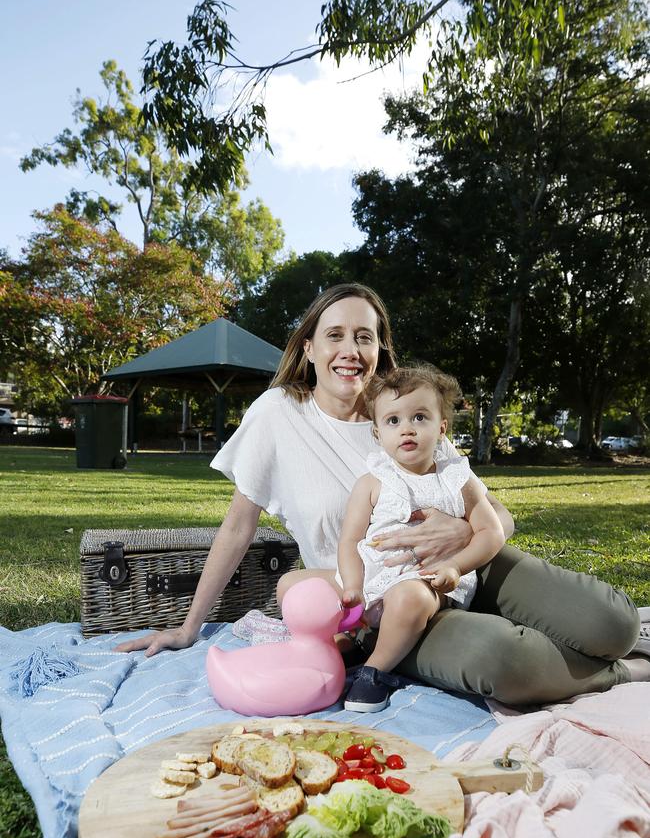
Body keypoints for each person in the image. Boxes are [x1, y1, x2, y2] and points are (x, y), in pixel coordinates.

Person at [115, 283, 646, 703]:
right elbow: (238, 526)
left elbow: (491, 511)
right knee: (505, 659)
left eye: (364, 337)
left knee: (613, 622)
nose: (350, 351)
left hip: (468, 564)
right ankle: (617, 676)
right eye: (336, 336)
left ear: (380, 348)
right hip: (384, 604)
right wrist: (189, 628)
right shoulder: (277, 415)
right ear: (309, 348)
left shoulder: (403, 409)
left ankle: (608, 652)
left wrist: (466, 533)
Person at [337, 364, 506, 712]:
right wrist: (352, 587)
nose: (407, 429)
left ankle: (375, 671)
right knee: (299, 590)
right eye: (393, 421)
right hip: (373, 576)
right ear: (377, 432)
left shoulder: (457, 478)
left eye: (419, 417)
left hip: (428, 579)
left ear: (441, 428)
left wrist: (456, 567)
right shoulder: (371, 482)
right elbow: (350, 541)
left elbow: (492, 532)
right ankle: (348, 644)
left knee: (408, 599)